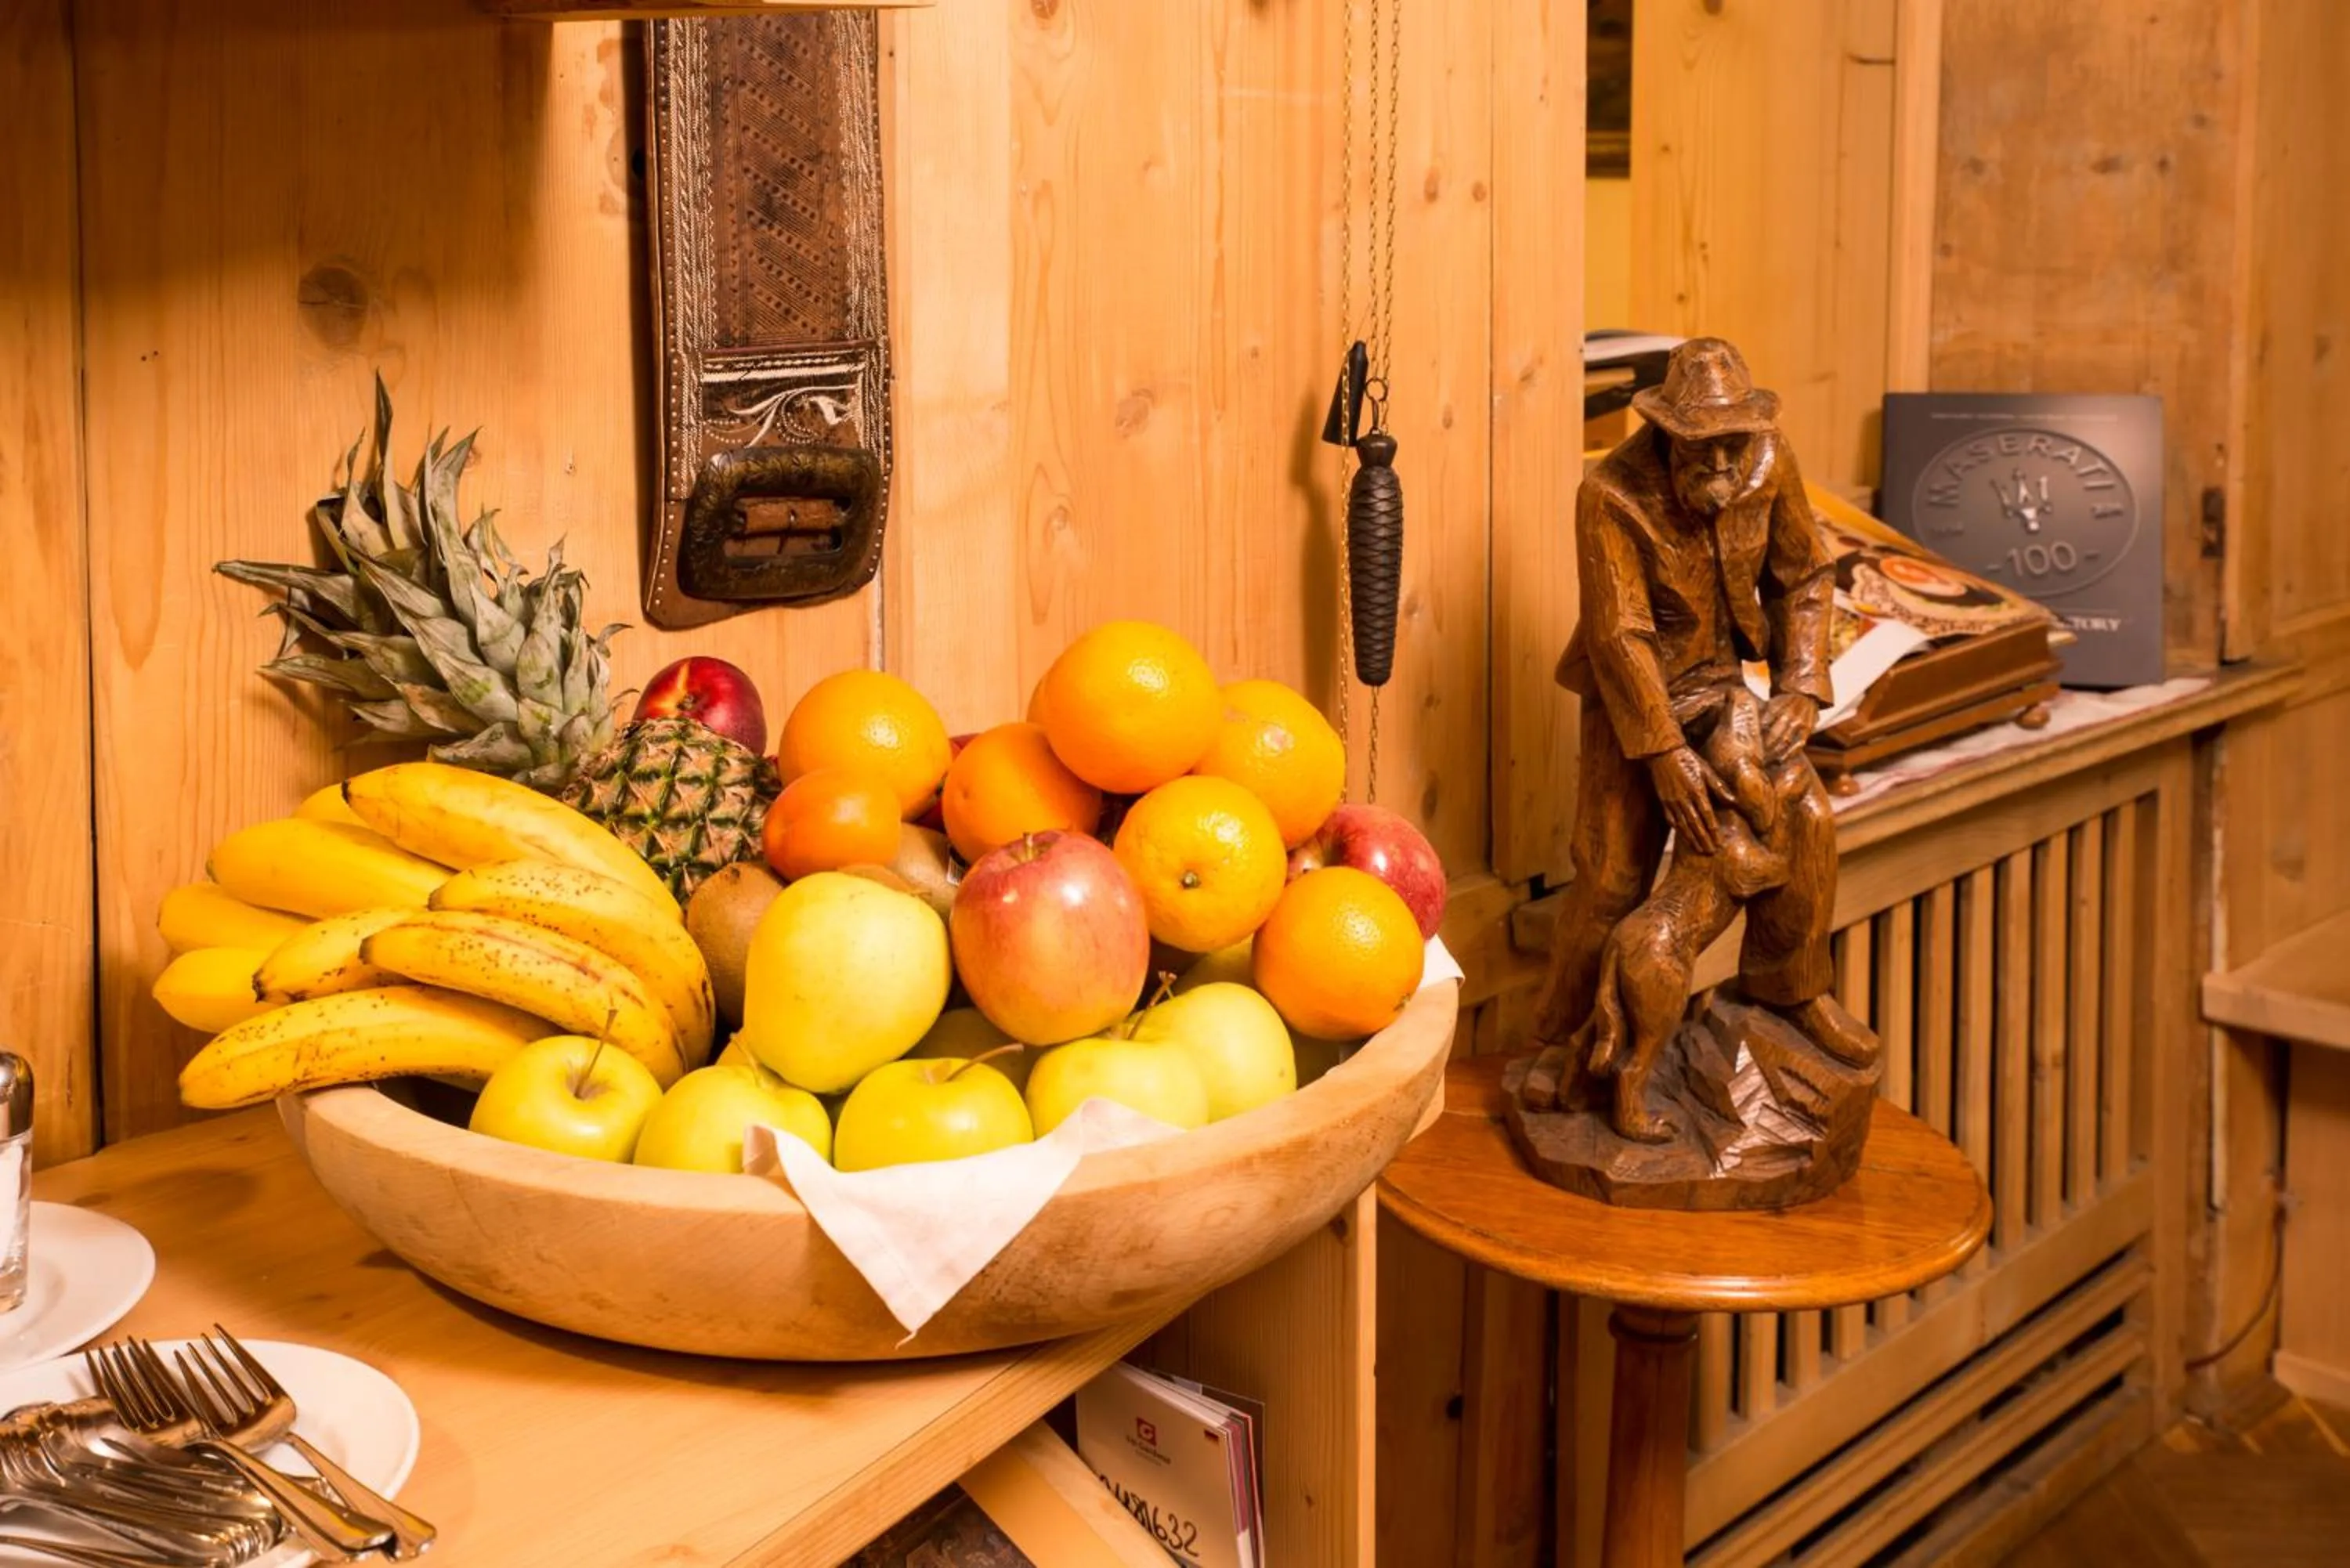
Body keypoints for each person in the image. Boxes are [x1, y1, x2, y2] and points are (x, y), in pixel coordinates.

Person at [1524, 338, 1874, 1114]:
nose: (1718, 479)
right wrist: (1662, 753)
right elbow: (1621, 636)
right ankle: (1560, 1038)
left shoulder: (1769, 460)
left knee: (1807, 820)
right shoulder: (1610, 496)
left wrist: (1801, 686)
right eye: (1697, 457)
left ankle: (1791, 996)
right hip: (1635, 701)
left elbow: (1804, 578)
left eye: (1731, 454)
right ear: (1664, 437)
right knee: (1613, 871)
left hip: (1726, 689)